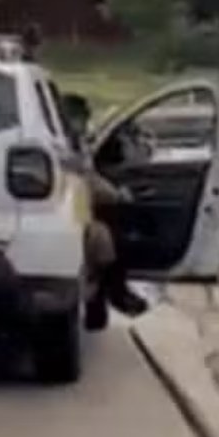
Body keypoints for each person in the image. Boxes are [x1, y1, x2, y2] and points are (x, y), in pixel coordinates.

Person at [60, 93, 149, 317]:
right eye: (81, 118)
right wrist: (116, 195)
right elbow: (86, 178)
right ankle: (116, 293)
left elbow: (90, 175)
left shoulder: (77, 143)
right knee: (108, 234)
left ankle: (115, 291)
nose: (84, 123)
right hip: (68, 212)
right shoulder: (62, 146)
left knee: (115, 225)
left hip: (80, 207)